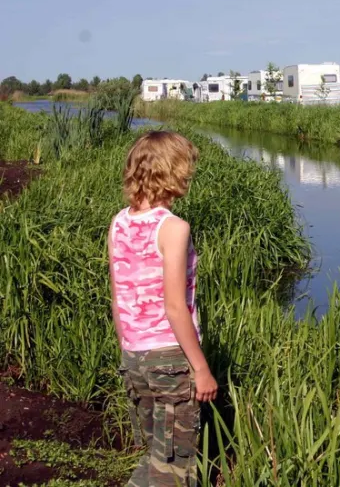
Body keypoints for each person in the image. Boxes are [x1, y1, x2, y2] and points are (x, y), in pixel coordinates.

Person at [108, 131, 216, 487]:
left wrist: (129, 352)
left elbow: (117, 298)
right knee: (176, 465)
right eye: (187, 167)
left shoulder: (119, 222)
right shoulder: (173, 228)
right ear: (172, 172)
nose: (190, 175)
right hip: (169, 359)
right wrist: (201, 369)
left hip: (135, 357)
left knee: (157, 452)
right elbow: (174, 306)